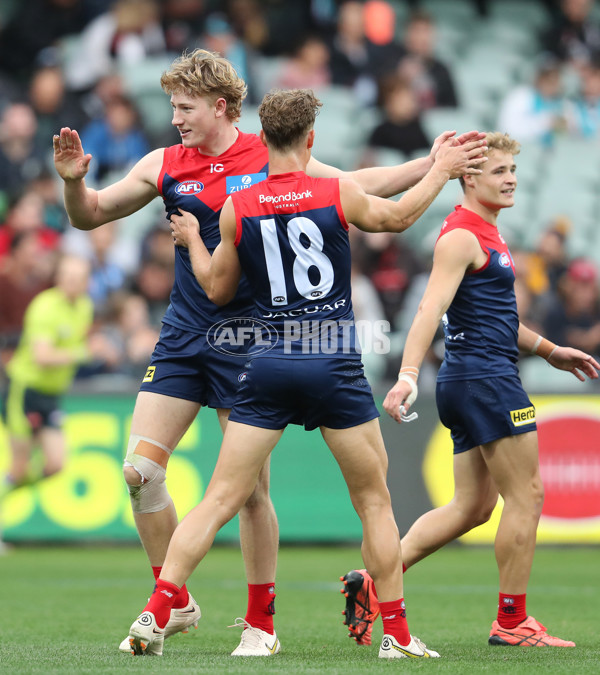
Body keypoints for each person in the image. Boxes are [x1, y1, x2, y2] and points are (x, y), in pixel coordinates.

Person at [53, 48, 485, 655]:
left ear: (219, 107)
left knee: (249, 492)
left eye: (184, 106)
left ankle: (260, 624)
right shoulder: (164, 164)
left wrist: (428, 163)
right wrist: (74, 183)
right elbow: (90, 215)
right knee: (139, 472)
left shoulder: (268, 157)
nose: (174, 117)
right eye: (173, 106)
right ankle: (174, 601)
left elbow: (355, 187)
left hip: (254, 340)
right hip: (186, 335)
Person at [340, 132, 600, 648]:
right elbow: (428, 310)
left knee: (472, 508)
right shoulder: (462, 236)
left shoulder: (484, 232)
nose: (512, 180)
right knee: (526, 497)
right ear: (469, 176)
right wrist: (409, 376)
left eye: (512, 171)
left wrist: (550, 350)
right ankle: (511, 622)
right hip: (487, 380)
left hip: (473, 377)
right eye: (500, 171)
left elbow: (496, 318)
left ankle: (372, 584)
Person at [0, 255, 94, 497]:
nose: (72, 283)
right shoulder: (45, 307)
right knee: (19, 466)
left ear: (87, 282)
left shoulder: (85, 307)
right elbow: (42, 356)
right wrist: (84, 353)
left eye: (79, 278)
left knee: (55, 464)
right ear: (59, 279)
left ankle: (7, 489)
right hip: (25, 391)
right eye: (68, 277)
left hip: (51, 395)